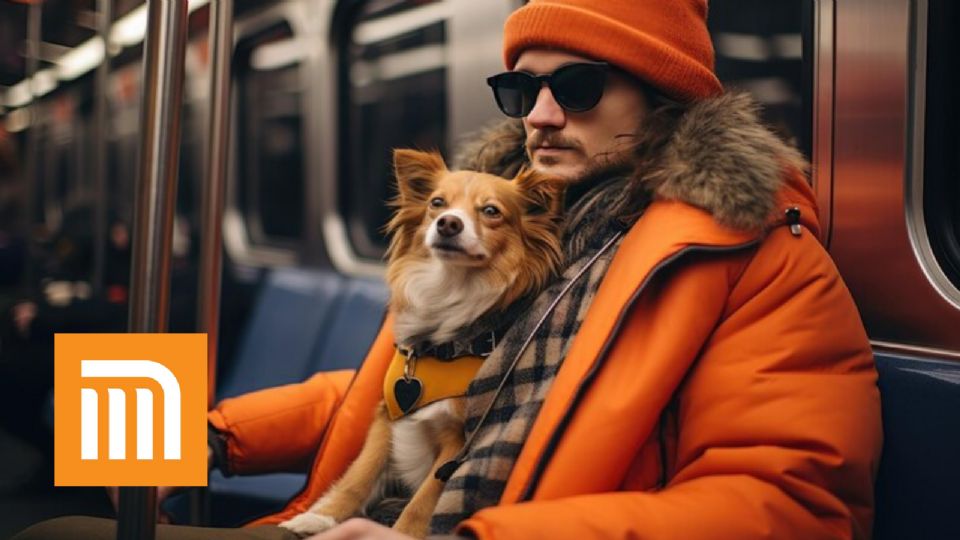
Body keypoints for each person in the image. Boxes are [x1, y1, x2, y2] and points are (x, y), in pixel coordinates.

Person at [14, 1, 882, 539]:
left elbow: (789, 507)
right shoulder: (508, 226)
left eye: (576, 89)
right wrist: (208, 434)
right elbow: (397, 393)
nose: (540, 116)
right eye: (520, 91)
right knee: (74, 479)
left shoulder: (758, 257)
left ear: (661, 100)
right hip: (365, 511)